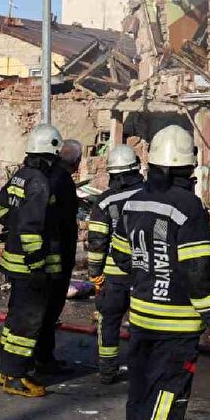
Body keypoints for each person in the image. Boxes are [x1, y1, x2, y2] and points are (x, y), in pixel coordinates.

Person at [110, 125, 210, 420]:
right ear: (187, 167)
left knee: (141, 394)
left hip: (142, 318)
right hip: (175, 324)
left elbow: (121, 257)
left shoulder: (134, 202)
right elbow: (197, 271)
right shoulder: (188, 207)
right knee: (166, 398)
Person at [0, 123, 61, 398]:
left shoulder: (21, 176)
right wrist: (37, 263)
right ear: (50, 155)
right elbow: (31, 229)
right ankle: (15, 377)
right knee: (27, 323)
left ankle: (7, 369)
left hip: (13, 262)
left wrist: (12, 223)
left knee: (15, 319)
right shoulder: (40, 182)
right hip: (31, 267)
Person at [86, 144, 145, 384]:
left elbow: (97, 241)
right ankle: (143, 368)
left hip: (114, 274)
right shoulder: (150, 194)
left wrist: (95, 274)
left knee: (108, 320)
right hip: (146, 271)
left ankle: (108, 371)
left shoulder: (105, 201)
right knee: (144, 322)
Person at [35, 138, 81, 376]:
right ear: (76, 161)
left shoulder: (45, 177)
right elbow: (63, 222)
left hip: (44, 255)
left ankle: (40, 357)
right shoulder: (62, 182)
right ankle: (43, 359)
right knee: (50, 309)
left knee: (43, 309)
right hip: (57, 255)